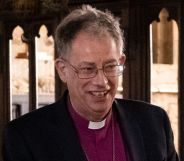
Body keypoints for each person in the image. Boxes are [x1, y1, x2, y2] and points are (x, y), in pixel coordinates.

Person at [3, 5, 179, 161]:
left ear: (122, 62)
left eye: (110, 66)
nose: (102, 81)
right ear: (62, 70)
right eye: (88, 69)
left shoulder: (154, 123)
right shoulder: (25, 137)